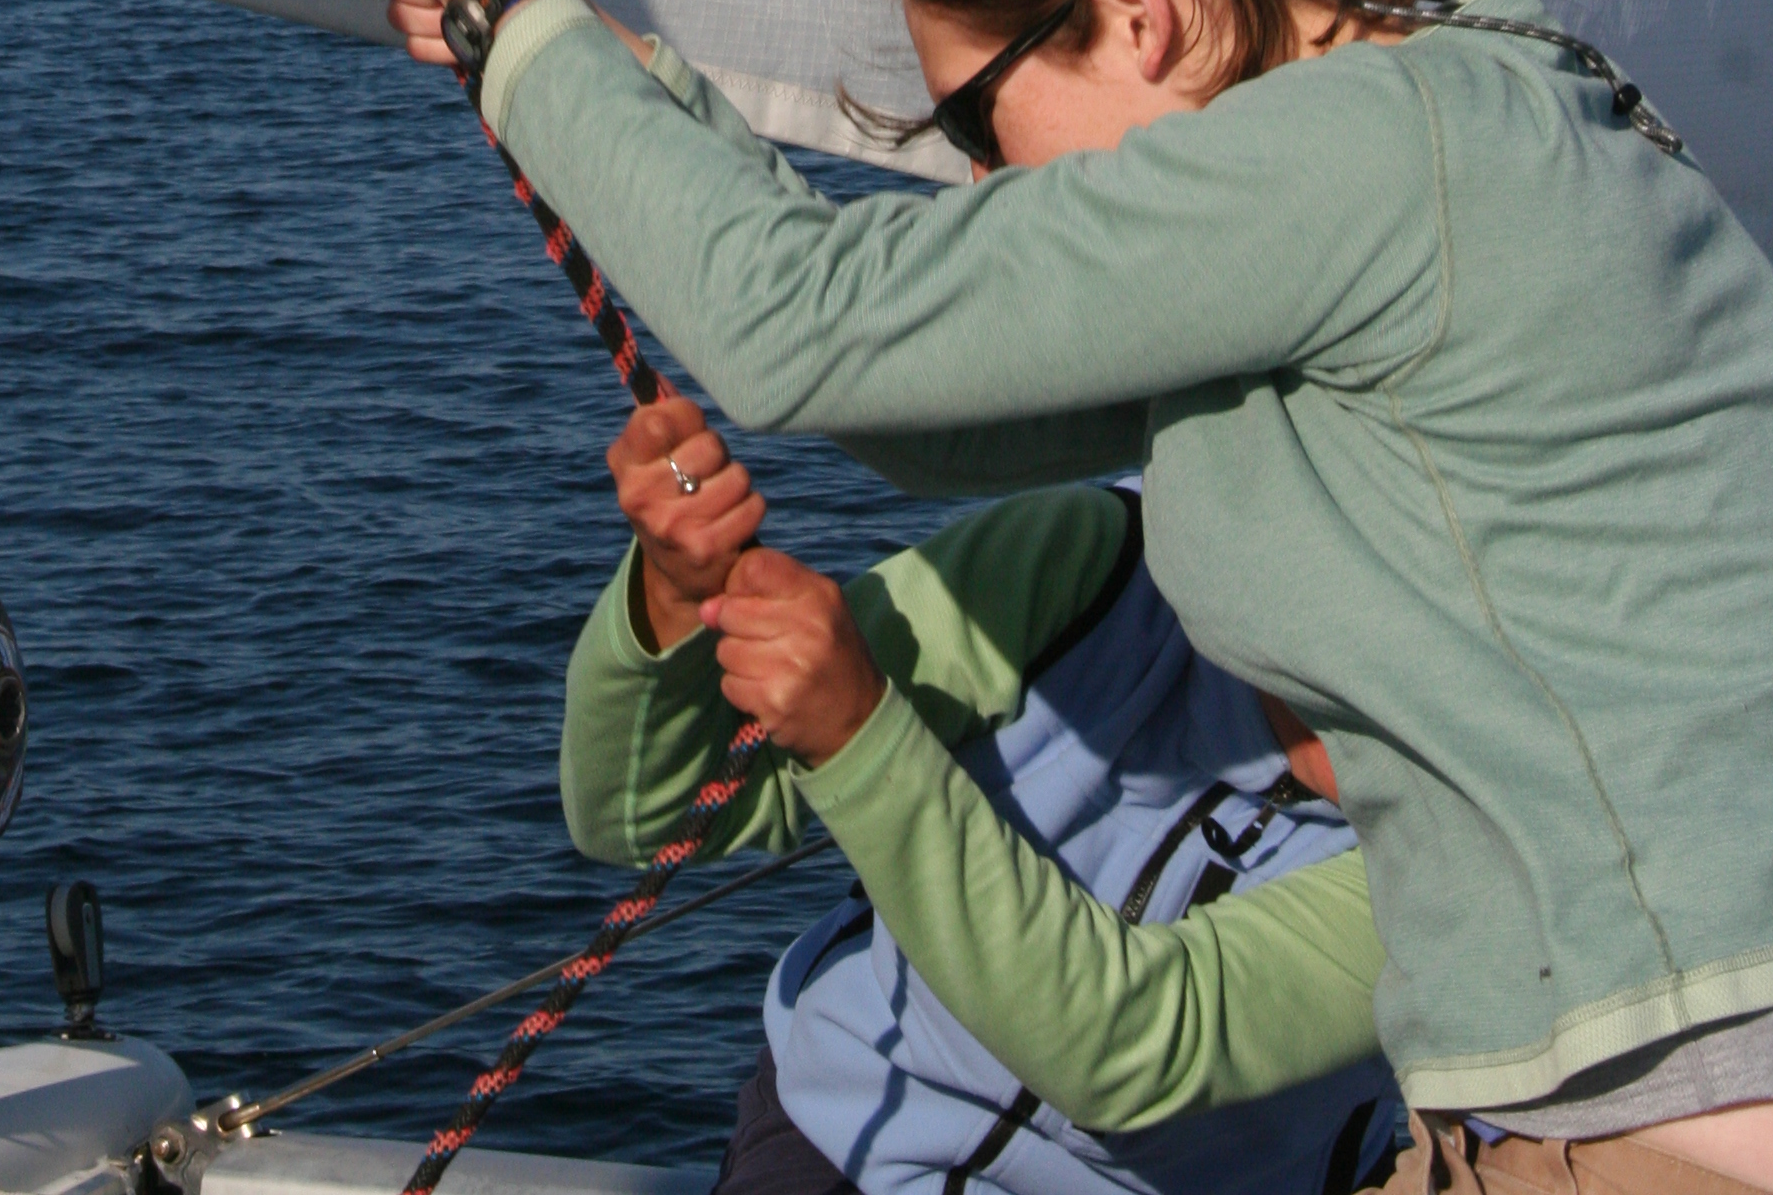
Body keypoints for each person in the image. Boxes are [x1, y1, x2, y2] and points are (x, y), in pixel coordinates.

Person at [258, 0, 1773, 1194]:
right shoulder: (1453, 138)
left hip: (1683, 1129)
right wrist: (589, 60)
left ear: (1133, 14)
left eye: (977, 119)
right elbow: (933, 410)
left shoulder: (1380, 147)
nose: (986, 184)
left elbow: (803, 331)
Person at [570, 383, 1396, 1195]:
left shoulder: (1457, 845)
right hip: (842, 1135)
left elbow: (1133, 1045)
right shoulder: (1091, 568)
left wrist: (860, 736)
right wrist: (673, 597)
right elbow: (644, 818)